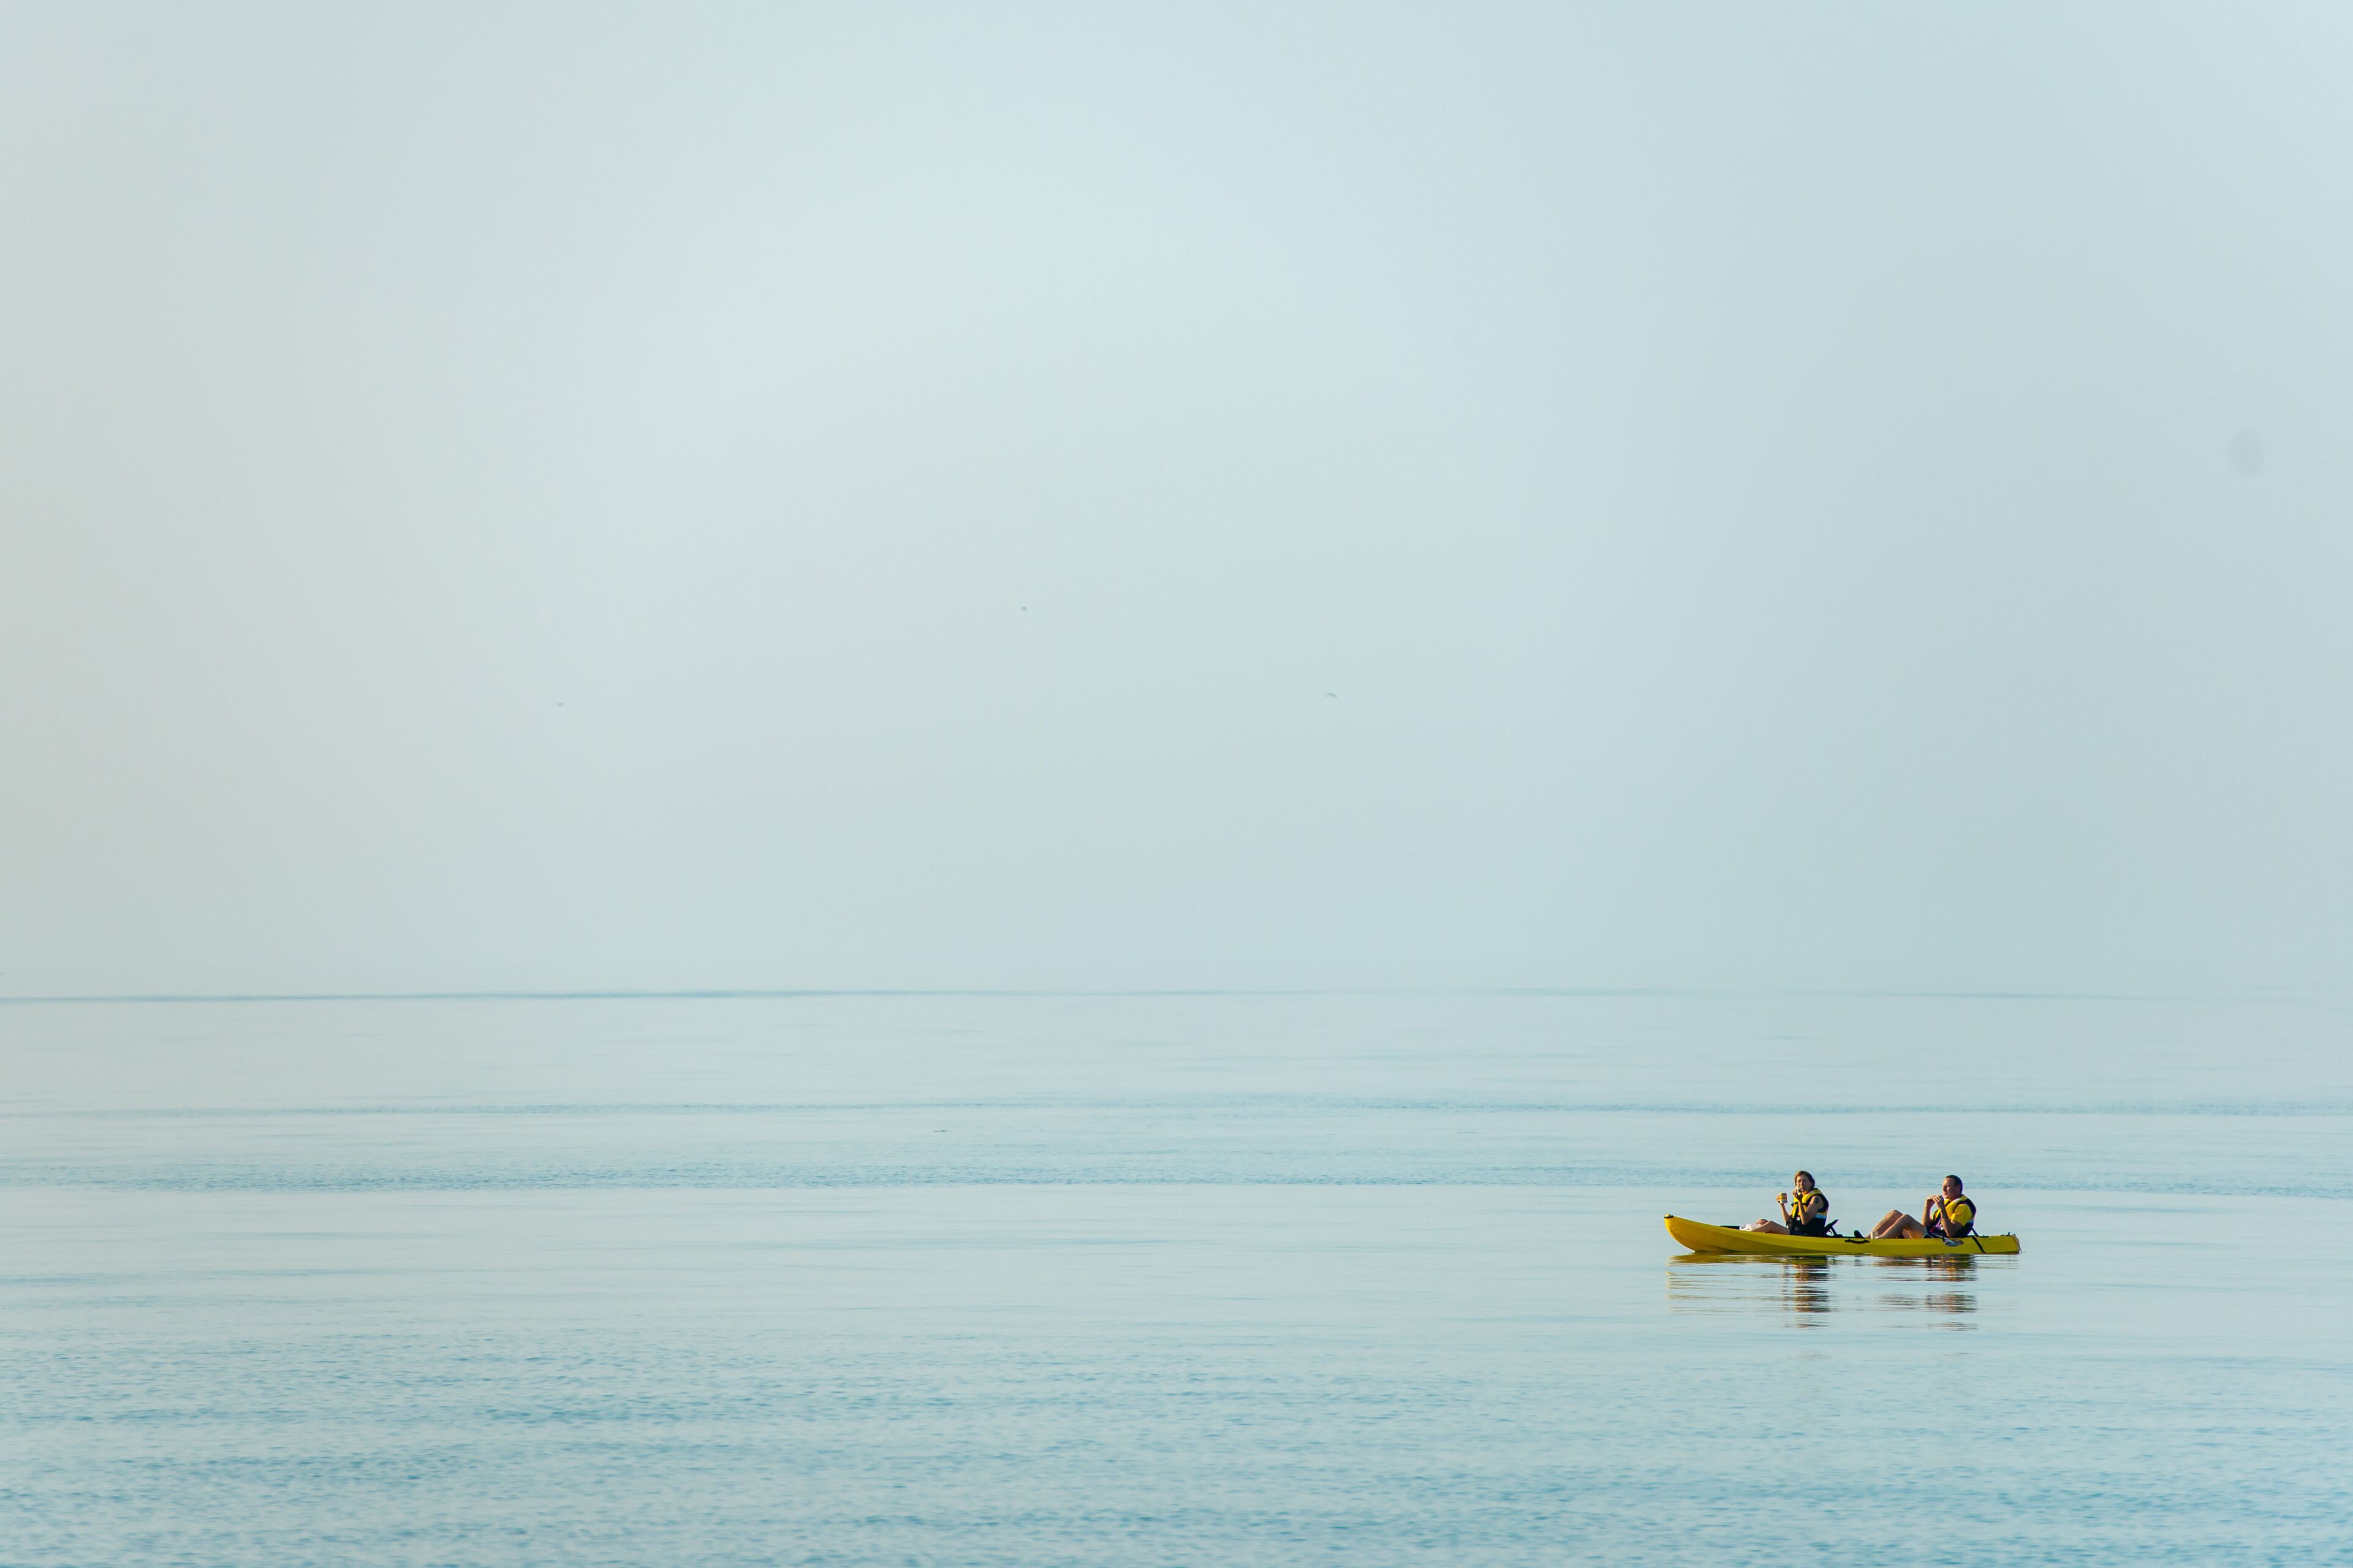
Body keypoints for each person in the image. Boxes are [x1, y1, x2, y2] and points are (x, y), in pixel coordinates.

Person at [1870, 1175, 1977, 1241]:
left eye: (1947, 1186)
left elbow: (1951, 1234)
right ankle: (1867, 1239)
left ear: (1958, 1188)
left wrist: (1942, 1210)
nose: (1944, 1189)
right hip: (1929, 1235)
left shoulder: (1963, 1207)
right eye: (1943, 1187)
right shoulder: (1947, 1203)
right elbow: (1926, 1226)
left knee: (1906, 1219)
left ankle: (1879, 1242)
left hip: (1940, 1240)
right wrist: (1927, 1207)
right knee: (1894, 1214)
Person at [1742, 1170, 1832, 1236]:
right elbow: (1789, 1222)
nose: (1802, 1184)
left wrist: (1800, 1201)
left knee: (1771, 1225)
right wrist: (1782, 1205)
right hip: (1795, 1231)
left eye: (1805, 1181)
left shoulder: (1816, 1199)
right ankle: (1744, 1232)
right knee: (1762, 1221)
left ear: (1811, 1183)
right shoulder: (1801, 1197)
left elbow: (1805, 1221)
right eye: (1799, 1181)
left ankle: (1745, 1236)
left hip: (1808, 1235)